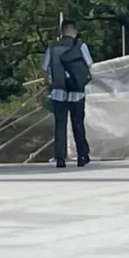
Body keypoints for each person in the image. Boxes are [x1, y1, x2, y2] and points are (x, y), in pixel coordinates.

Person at [44, 18, 94, 168]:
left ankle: (60, 158)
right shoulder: (81, 46)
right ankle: (82, 156)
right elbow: (90, 65)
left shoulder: (52, 49)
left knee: (60, 125)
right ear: (74, 31)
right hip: (77, 90)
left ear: (62, 32)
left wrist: (48, 83)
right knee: (78, 123)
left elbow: (44, 69)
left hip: (58, 90)